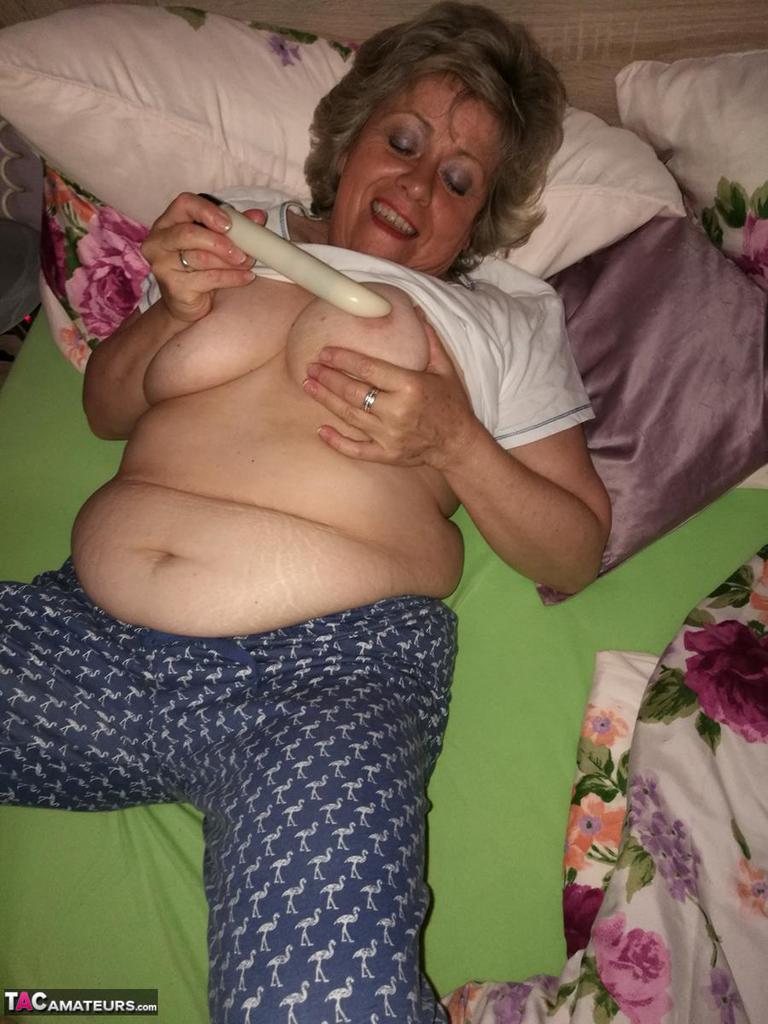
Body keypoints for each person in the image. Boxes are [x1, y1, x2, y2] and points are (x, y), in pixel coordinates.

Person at [0, 3, 611, 1022]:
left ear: (480, 217)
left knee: (323, 998)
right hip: (85, 639)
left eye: (460, 179)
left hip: (324, 683)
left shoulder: (504, 315)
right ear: (350, 138)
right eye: (404, 141)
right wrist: (170, 309)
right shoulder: (231, 228)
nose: (419, 185)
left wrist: (454, 439)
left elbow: (576, 549)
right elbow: (107, 408)